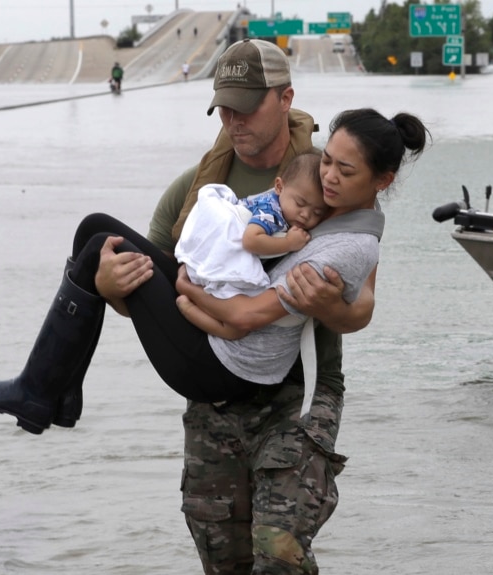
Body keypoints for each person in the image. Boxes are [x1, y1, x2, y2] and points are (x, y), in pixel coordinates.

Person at [142, 39, 427, 573]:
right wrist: (115, 286)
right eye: (224, 107)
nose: (233, 120)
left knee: (279, 552)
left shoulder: (334, 186)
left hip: (299, 390)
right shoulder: (201, 185)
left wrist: (329, 307)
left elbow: (362, 306)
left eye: (246, 107)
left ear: (285, 99)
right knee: (222, 555)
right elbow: (152, 284)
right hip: (218, 390)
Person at [175, 152, 326, 302]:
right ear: (279, 187)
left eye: (317, 212)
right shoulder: (271, 211)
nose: (306, 214)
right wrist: (289, 243)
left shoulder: (284, 208)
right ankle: (189, 309)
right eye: (300, 203)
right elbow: (250, 240)